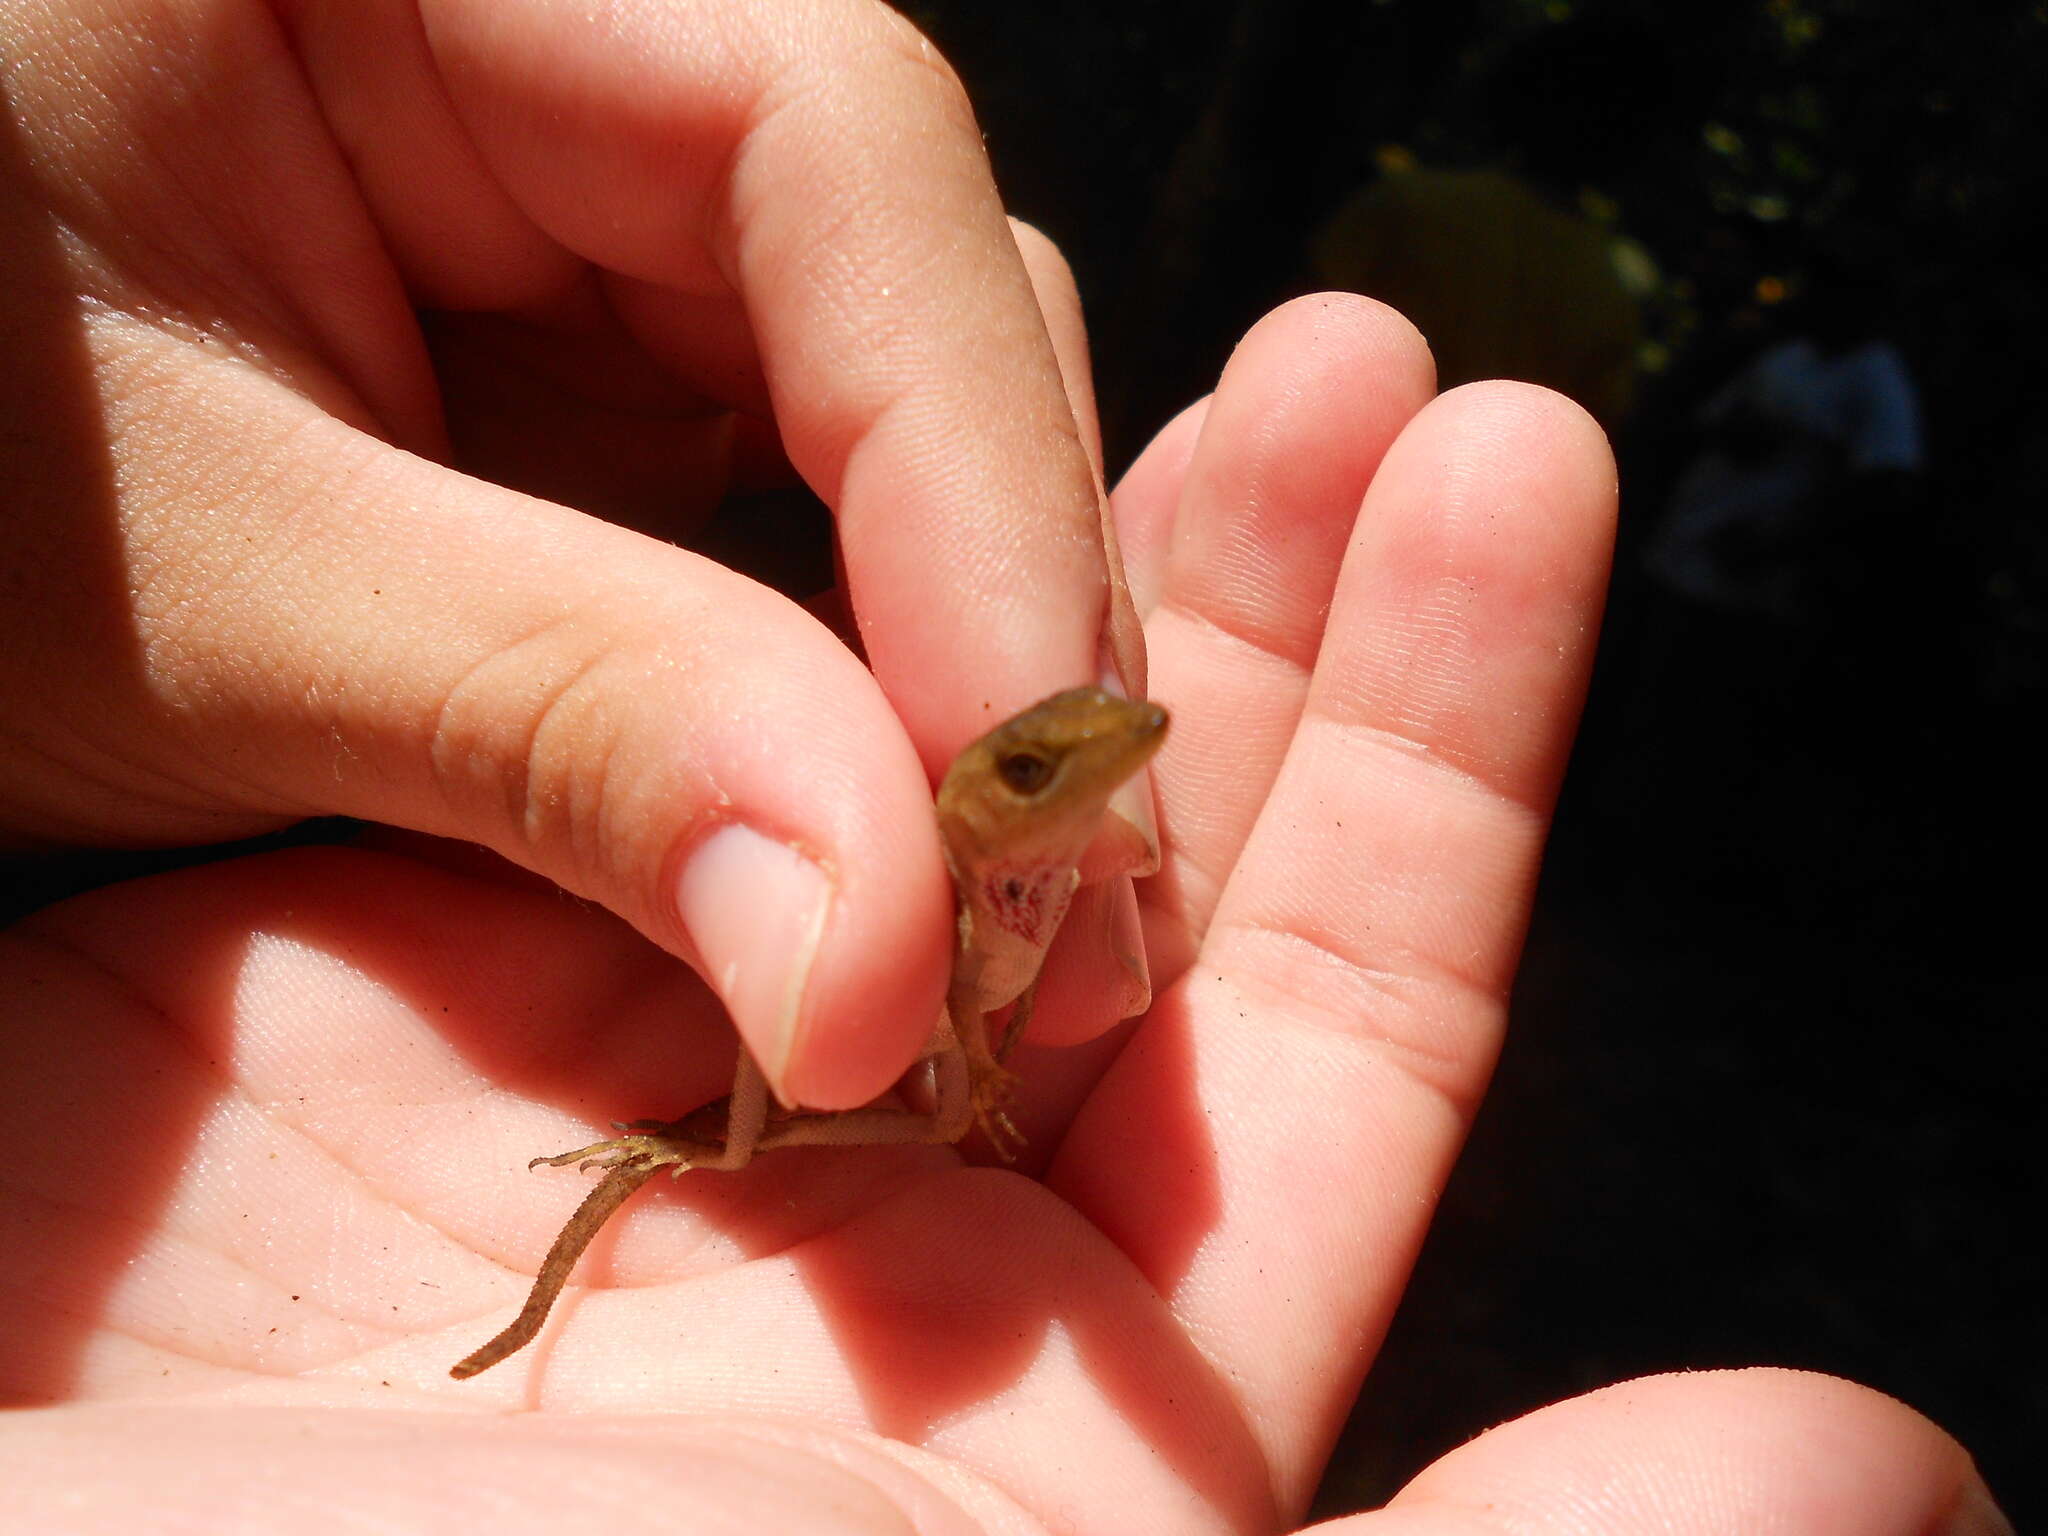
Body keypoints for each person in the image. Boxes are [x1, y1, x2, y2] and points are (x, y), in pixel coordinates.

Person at [0, 3, 2002, 1531]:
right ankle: (672, 1145)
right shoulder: (940, 829)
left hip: (944, 1067)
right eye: (1050, 760)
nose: (1103, 756)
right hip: (860, 1048)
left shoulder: (1043, 840)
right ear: (986, 792)